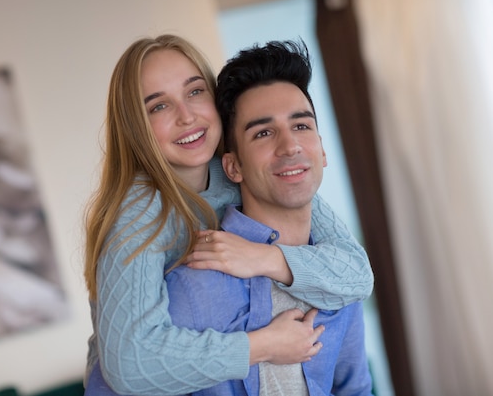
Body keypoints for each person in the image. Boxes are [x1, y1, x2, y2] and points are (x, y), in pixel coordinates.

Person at [83, 34, 373, 395]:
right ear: (134, 126)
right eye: (159, 106)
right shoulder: (141, 213)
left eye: (195, 92)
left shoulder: (245, 171)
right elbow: (130, 365)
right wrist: (264, 345)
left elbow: (356, 272)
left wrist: (265, 258)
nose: (187, 116)